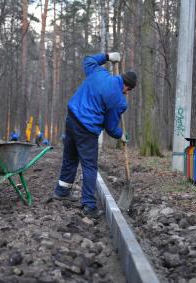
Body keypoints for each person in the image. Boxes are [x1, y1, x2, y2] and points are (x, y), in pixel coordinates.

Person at [53, 52, 137, 218]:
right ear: (127, 88)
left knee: (70, 158)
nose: (126, 93)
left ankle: (62, 191)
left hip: (71, 119)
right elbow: (110, 127)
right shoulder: (119, 101)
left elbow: (88, 60)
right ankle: (88, 205)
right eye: (128, 91)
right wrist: (121, 135)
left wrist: (106, 56)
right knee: (89, 166)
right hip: (87, 130)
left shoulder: (99, 72)